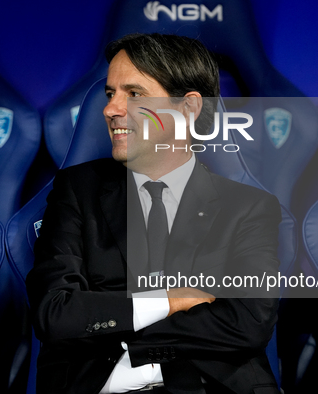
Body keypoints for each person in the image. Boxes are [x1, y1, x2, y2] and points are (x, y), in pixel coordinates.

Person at [27, 33, 282, 394]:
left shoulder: (250, 208)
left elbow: (246, 323)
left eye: (134, 94)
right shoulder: (76, 190)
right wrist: (171, 300)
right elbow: (56, 314)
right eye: (110, 94)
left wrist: (130, 343)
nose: (111, 109)